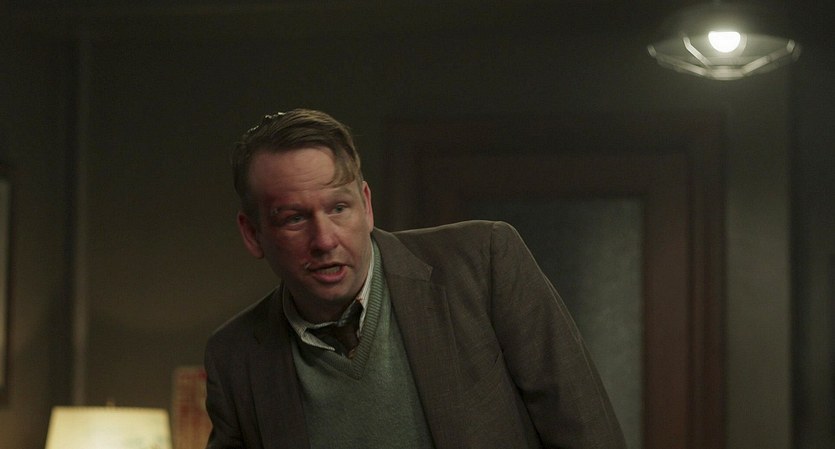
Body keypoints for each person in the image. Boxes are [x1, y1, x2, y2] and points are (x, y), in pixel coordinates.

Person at [204, 109, 626, 449]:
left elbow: (586, 432)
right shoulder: (236, 356)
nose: (325, 240)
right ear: (253, 234)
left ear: (366, 206)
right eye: (294, 218)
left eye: (338, 208)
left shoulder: (483, 263)